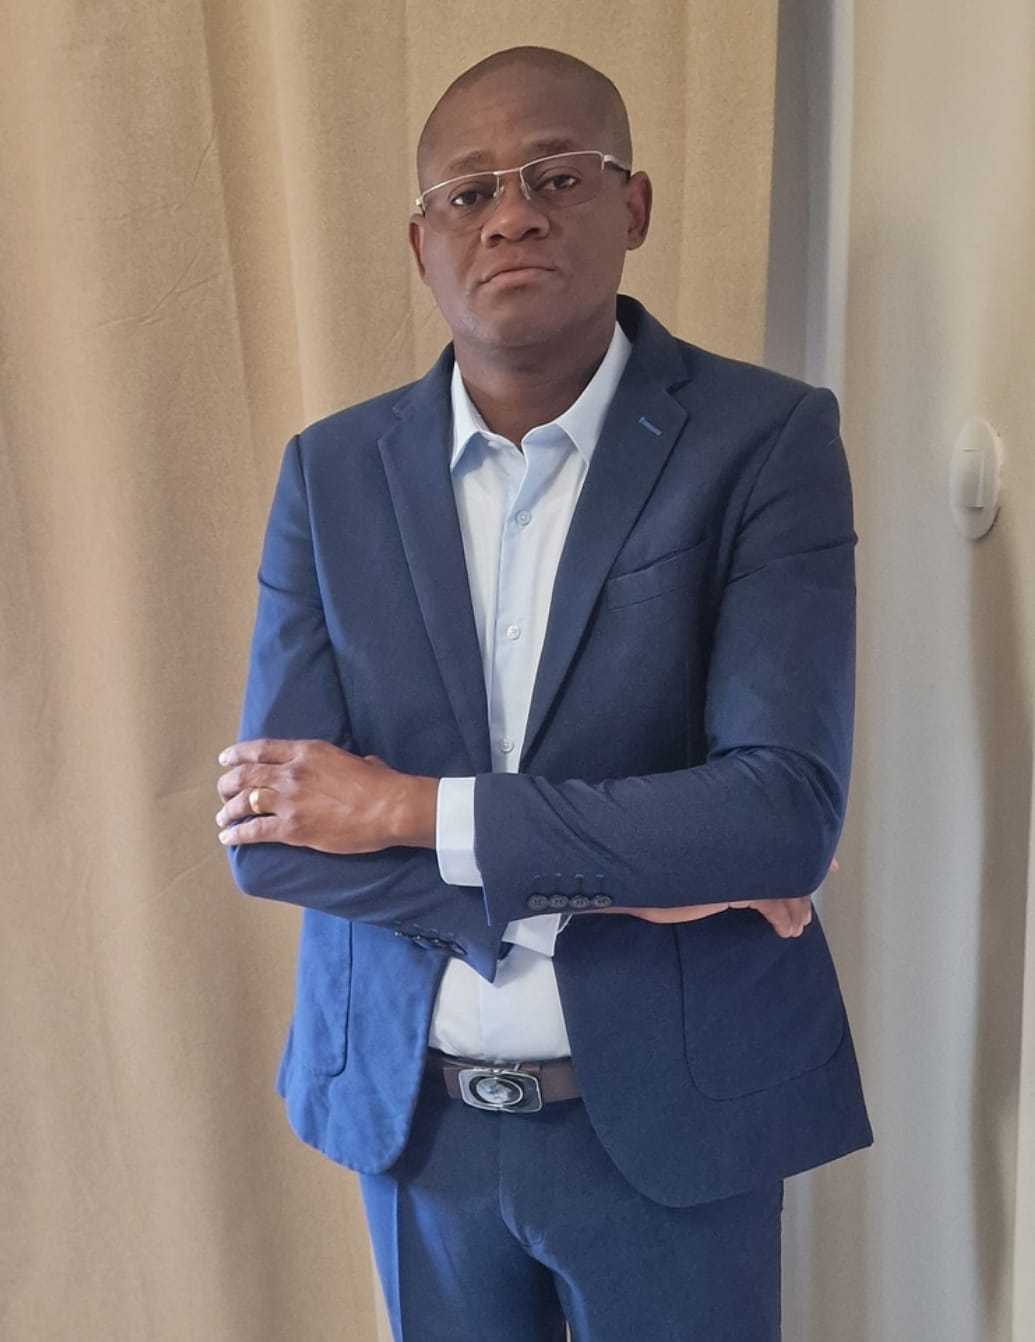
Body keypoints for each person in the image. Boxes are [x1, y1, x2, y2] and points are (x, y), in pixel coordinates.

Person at [216, 45, 871, 1341]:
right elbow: (273, 836)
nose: (510, 213)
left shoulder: (766, 442)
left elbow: (781, 815)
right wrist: (647, 873)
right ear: (422, 245)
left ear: (633, 206)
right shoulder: (330, 475)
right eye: (469, 192)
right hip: (417, 1121)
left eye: (556, 175)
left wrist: (412, 811)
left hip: (679, 1123)